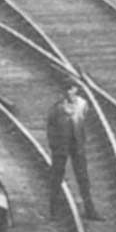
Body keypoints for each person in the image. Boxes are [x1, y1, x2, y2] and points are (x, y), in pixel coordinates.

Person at [46, 82, 103, 220]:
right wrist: (54, 146)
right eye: (66, 90)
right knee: (57, 178)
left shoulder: (83, 104)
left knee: (83, 178)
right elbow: (50, 127)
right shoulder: (57, 107)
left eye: (71, 90)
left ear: (76, 90)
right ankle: (54, 212)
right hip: (61, 147)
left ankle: (90, 210)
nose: (68, 93)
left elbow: (85, 122)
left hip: (77, 146)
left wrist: (83, 142)